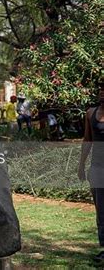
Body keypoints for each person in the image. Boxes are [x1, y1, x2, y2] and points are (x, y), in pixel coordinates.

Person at [78, 80, 104, 264]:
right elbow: (87, 140)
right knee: (101, 211)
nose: (102, 93)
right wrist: (81, 165)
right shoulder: (91, 113)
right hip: (97, 168)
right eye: (101, 89)